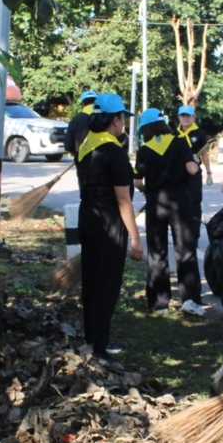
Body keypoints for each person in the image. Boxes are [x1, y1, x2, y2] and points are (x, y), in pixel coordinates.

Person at [78, 93, 144, 354]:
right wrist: (135, 237)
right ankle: (99, 347)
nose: (124, 124)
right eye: (123, 119)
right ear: (115, 120)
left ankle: (93, 338)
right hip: (109, 223)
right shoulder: (114, 152)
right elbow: (123, 200)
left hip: (88, 217)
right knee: (107, 284)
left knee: (91, 280)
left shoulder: (86, 145)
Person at [135, 107, 205, 315]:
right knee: (185, 250)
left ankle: (159, 305)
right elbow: (192, 170)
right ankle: (190, 301)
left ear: (146, 129)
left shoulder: (144, 150)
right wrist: (195, 162)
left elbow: (137, 181)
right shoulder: (180, 143)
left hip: (156, 202)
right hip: (180, 201)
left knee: (157, 252)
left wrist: (148, 190)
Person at [63, 90, 99, 157]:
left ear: (82, 104)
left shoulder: (75, 120)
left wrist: (77, 156)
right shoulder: (105, 117)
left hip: (82, 159)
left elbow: (68, 146)